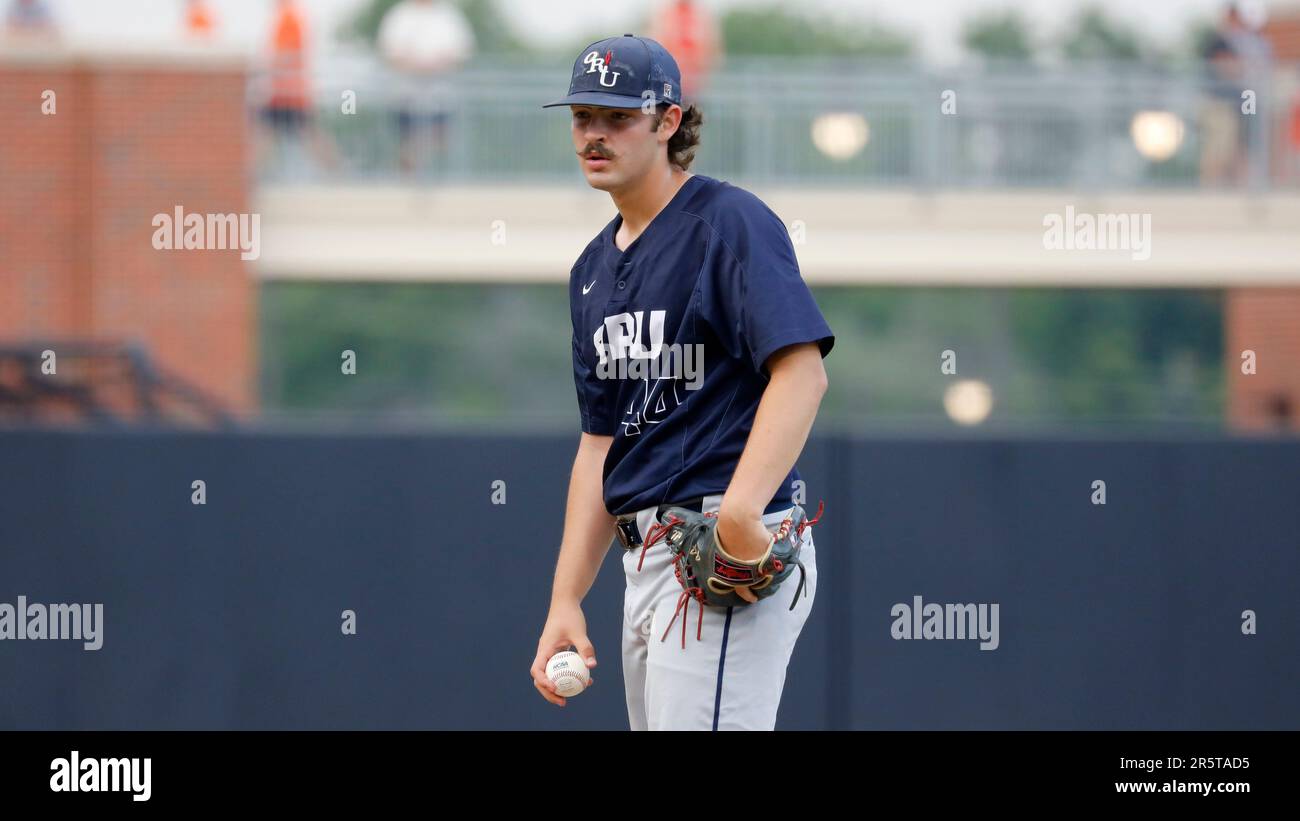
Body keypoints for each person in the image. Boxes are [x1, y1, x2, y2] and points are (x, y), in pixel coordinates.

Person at [530, 35, 834, 731]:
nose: (594, 135)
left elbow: (802, 373)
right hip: (647, 560)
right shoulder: (590, 272)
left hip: (720, 541)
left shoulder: (726, 223)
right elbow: (600, 444)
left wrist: (740, 512)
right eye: (582, 117)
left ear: (668, 121)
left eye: (616, 117)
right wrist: (566, 597)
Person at [377, 0, 476, 177]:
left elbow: (461, 51)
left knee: (439, 137)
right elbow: (390, 52)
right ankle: (407, 181)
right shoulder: (400, 15)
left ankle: (413, 174)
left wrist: (436, 65)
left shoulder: (448, 15)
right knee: (407, 140)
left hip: (440, 95)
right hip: (406, 95)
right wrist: (415, 66)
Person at [648, 0, 721, 102]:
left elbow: (712, 47)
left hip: (694, 83)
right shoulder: (667, 15)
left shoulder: (700, 15)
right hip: (671, 81)